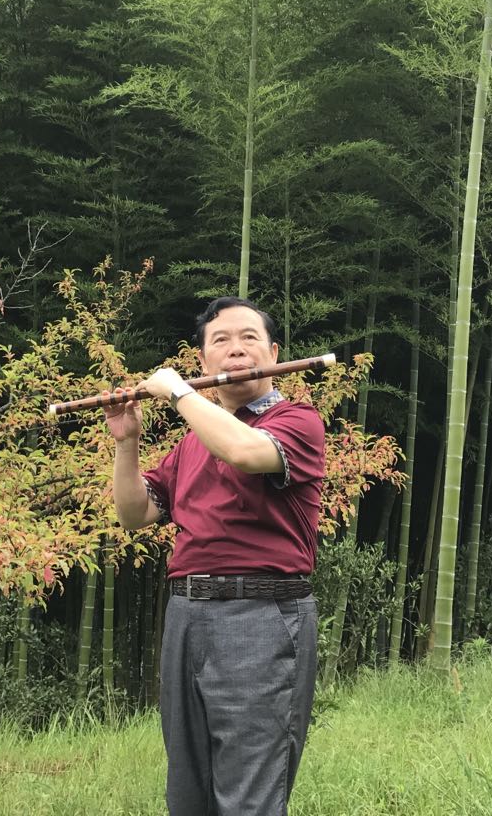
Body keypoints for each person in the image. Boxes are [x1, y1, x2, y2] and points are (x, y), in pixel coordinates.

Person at [105, 296, 325, 816]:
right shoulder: (192, 443)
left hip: (261, 615)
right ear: (203, 360)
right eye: (220, 341)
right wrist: (127, 442)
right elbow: (135, 514)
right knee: (189, 790)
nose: (235, 349)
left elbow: (247, 452)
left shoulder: (298, 420)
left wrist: (178, 392)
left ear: (273, 352)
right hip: (187, 613)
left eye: (249, 337)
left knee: (249, 790)